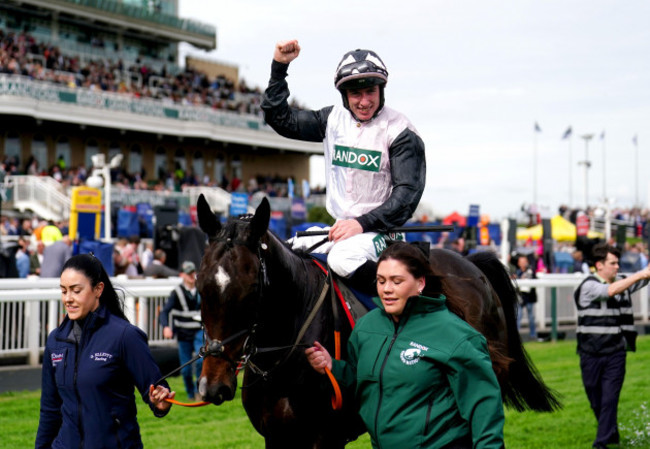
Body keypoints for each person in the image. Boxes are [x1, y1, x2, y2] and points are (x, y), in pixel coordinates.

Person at [261, 40, 426, 294]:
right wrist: (279, 67)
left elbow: (406, 197)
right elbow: (279, 118)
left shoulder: (400, 131)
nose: (363, 101)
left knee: (342, 259)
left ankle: (405, 304)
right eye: (355, 94)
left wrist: (361, 223)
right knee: (282, 254)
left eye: (370, 91)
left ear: (381, 89)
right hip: (340, 229)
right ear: (344, 95)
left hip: (382, 233)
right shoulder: (331, 119)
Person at [305, 242, 504, 448]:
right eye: (381, 281)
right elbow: (362, 380)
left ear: (420, 283)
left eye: (396, 281)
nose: (387, 289)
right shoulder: (366, 327)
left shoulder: (457, 335)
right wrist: (332, 366)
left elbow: (484, 408)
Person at [35, 254, 175, 449]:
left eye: (76, 291)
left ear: (98, 289)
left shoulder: (125, 336)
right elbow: (50, 410)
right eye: (64, 291)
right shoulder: (55, 340)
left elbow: (155, 390)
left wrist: (159, 402)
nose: (68, 299)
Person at [574, 243, 650, 449]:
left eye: (618, 263)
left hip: (615, 353)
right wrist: (640, 274)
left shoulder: (622, 283)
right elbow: (608, 291)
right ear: (599, 265)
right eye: (613, 263)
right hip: (589, 354)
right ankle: (611, 432)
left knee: (609, 400)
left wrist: (646, 273)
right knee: (596, 401)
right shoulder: (588, 286)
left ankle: (601, 444)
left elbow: (640, 279)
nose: (617, 267)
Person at [159, 260, 203, 401]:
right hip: (183, 334)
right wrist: (166, 326)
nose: (191, 276)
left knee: (201, 360)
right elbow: (164, 312)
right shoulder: (176, 293)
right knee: (185, 369)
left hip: (199, 331)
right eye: (188, 273)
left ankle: (199, 392)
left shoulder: (201, 290)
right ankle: (190, 394)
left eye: (193, 272)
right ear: (182, 275)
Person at [514, 254, 538, 340]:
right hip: (520, 297)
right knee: (518, 317)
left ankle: (533, 335)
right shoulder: (516, 272)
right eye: (522, 262)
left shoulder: (531, 271)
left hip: (529, 297)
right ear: (519, 263)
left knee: (531, 317)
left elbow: (534, 280)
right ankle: (516, 336)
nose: (523, 263)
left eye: (525, 262)